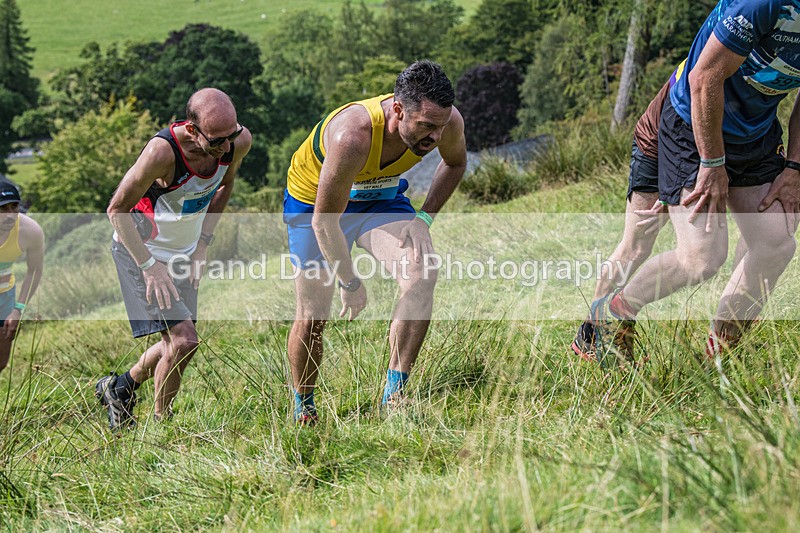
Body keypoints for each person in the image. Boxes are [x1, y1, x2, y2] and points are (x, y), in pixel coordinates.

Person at [586, 0, 800, 366]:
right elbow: (703, 78)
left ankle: (720, 360)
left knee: (775, 242)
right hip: (683, 123)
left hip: (752, 132)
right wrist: (709, 167)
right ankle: (600, 328)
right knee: (671, 250)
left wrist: (794, 167)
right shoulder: (764, 4)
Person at [283, 60, 467, 424]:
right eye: (426, 127)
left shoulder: (446, 122)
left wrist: (423, 219)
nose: (434, 137)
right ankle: (303, 405)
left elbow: (456, 163)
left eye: (440, 126)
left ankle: (394, 394)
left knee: (421, 272)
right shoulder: (352, 136)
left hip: (379, 198)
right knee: (314, 313)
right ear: (398, 111)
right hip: (315, 206)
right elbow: (325, 222)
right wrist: (349, 282)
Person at [96, 88, 252, 429]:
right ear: (192, 130)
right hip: (141, 253)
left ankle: (120, 387)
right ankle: (162, 426)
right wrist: (150, 267)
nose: (227, 148)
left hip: (183, 253)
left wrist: (202, 245)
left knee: (178, 340)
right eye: (217, 141)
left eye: (233, 135)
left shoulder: (237, 142)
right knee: (184, 341)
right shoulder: (162, 152)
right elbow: (116, 210)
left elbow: (225, 185)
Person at [0, 181, 44, 373]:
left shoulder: (30, 231)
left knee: (1, 361)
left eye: (14, 206)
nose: (10, 214)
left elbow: (34, 271)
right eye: (3, 208)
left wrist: (18, 309)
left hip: (5, 297)